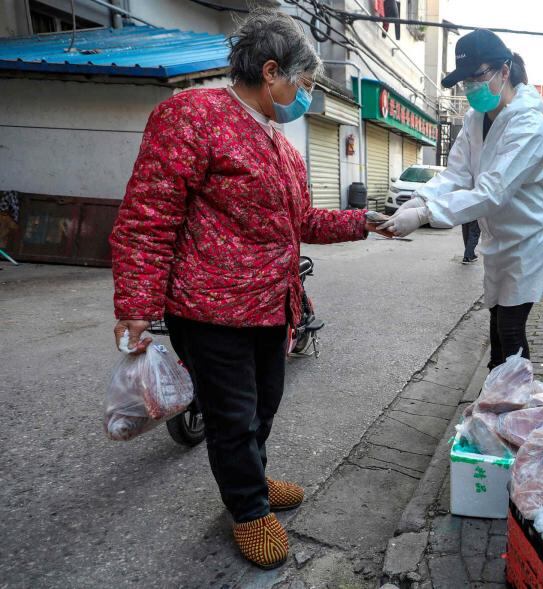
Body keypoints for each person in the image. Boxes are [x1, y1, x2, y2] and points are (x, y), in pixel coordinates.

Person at [109, 10, 391, 570]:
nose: (304, 97)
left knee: (264, 403)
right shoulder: (191, 115)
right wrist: (137, 304)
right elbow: (149, 215)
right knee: (232, 415)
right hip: (210, 308)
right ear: (270, 71)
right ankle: (247, 509)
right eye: (303, 85)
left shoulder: (282, 147)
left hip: (271, 304)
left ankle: (252, 477)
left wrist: (368, 221)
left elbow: (301, 221)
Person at [381, 29, 543, 369]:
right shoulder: (475, 119)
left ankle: (512, 404)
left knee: (510, 330)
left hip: (527, 242)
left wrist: (425, 215)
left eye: (476, 77)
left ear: (504, 71)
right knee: (497, 325)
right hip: (497, 241)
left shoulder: (530, 127)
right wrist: (419, 199)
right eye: (465, 82)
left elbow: (492, 192)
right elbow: (456, 175)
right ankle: (499, 399)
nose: (470, 89)